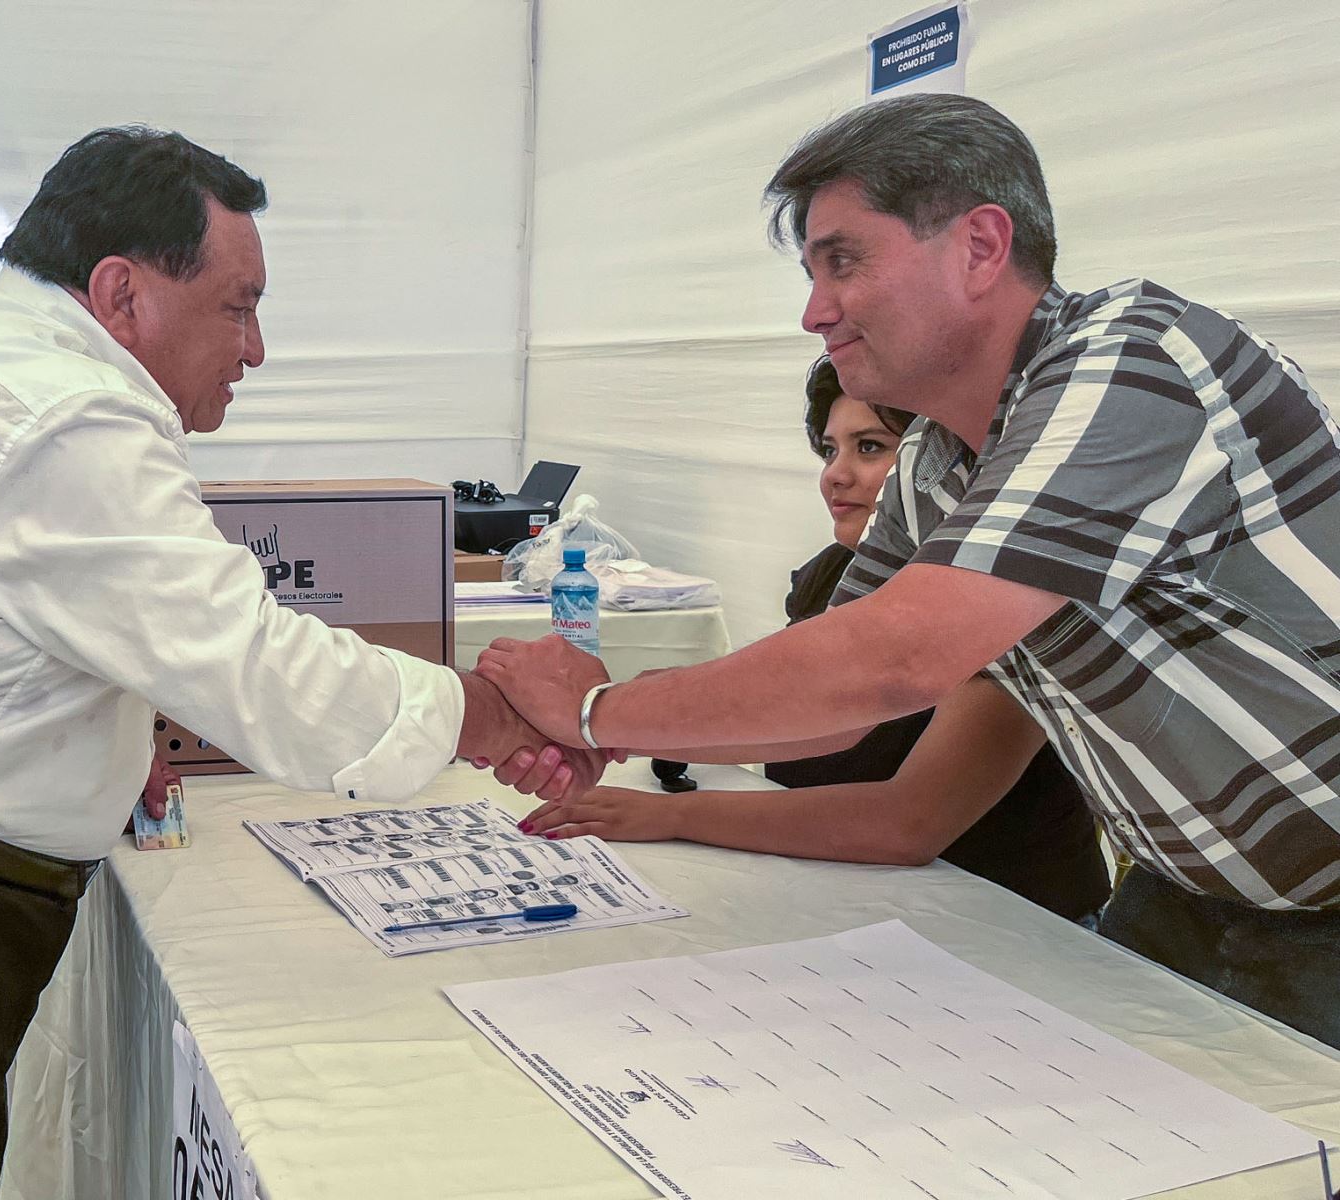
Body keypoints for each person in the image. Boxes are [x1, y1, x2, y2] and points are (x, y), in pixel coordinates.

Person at [0, 126, 605, 1200]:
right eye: (238, 306)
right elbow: (250, 662)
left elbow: (23, 612)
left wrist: (100, 730)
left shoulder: (6, 353)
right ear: (120, 292)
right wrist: (499, 713)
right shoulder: (58, 411)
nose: (255, 350)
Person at [484, 93, 1340, 1047]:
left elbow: (892, 661)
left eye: (842, 260)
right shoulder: (936, 460)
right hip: (1187, 894)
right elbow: (842, 711)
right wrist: (621, 731)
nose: (815, 313)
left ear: (979, 246)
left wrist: (596, 713)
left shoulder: (1138, 358)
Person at [538, 356, 1110, 923]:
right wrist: (607, 726)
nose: (835, 475)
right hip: (851, 899)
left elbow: (907, 824)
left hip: (1008, 926)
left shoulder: (1009, 595)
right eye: (830, 449)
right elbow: (790, 717)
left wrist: (670, 812)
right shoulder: (831, 574)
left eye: (869, 447)